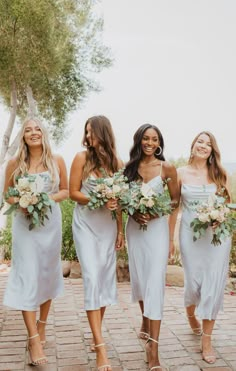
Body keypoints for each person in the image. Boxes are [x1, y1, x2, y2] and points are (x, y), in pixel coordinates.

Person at [3, 117, 68, 365]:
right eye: (28, 130)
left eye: (37, 129)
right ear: (23, 136)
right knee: (27, 275)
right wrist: (23, 203)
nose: (33, 133)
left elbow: (64, 190)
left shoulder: (57, 160)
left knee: (46, 274)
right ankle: (32, 339)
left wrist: (45, 200)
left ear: (44, 133)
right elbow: (7, 195)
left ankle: (41, 326)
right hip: (24, 227)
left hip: (50, 226)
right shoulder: (14, 164)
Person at [169, 131, 231, 364]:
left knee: (212, 285)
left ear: (213, 150)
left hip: (216, 239)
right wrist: (170, 239)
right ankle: (190, 312)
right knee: (193, 283)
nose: (203, 146)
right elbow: (174, 208)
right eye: (200, 142)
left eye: (208, 144)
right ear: (193, 145)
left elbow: (227, 205)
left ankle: (207, 341)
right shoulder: (179, 173)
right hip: (190, 236)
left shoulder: (219, 174)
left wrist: (220, 218)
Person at [69, 115, 125, 371]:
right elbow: (73, 193)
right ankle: (101, 348)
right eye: (87, 132)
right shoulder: (82, 158)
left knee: (103, 279)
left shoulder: (117, 163)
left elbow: (121, 201)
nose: (89, 137)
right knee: (92, 277)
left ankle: (96, 333)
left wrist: (120, 230)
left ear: (104, 133)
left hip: (107, 227)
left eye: (93, 132)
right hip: (85, 225)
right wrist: (98, 200)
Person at [124, 124, 180, 371]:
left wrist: (159, 213)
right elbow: (123, 200)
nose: (149, 143)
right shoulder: (129, 169)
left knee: (155, 281)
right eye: (145, 138)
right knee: (140, 278)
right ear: (139, 140)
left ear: (159, 143)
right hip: (135, 230)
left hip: (156, 231)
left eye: (154, 139)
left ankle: (153, 348)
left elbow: (176, 200)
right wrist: (133, 213)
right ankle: (145, 319)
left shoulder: (166, 167)